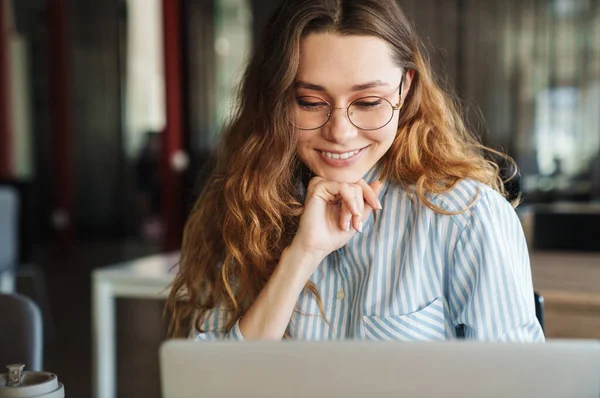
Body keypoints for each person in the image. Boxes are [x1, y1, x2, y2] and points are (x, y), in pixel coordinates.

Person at [166, 0, 544, 342]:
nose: (340, 132)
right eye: (310, 102)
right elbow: (216, 385)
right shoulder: (244, 207)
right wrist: (303, 255)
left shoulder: (467, 218)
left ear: (404, 90)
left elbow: (518, 387)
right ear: (277, 99)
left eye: (368, 101)